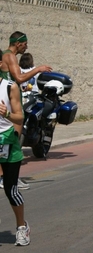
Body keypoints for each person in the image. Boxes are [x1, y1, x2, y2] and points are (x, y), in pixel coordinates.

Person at [0, 31, 51, 190]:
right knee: (13, 141)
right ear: (18, 43)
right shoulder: (10, 56)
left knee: (8, 142)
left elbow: (17, 79)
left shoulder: (9, 57)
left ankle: (7, 177)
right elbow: (20, 78)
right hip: (9, 103)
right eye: (25, 43)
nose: (26, 46)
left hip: (11, 100)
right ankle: (8, 178)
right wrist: (39, 69)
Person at [0, 49, 31, 246]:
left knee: (11, 190)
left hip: (8, 142)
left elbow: (20, 116)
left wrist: (7, 114)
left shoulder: (9, 87)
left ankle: (22, 227)